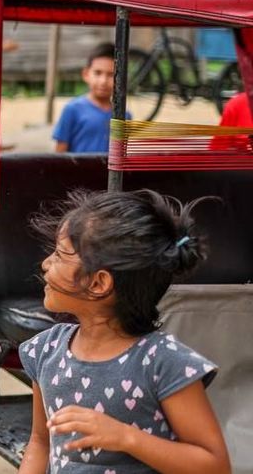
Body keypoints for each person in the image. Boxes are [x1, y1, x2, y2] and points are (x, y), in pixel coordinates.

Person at [18, 190, 230, 474]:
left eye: (58, 255)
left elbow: (214, 465)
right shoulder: (46, 350)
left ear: (98, 284)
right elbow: (40, 442)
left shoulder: (162, 363)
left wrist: (126, 438)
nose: (46, 264)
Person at [54, 43, 123, 153]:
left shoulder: (124, 114)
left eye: (111, 75)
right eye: (98, 73)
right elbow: (60, 153)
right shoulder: (72, 109)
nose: (103, 81)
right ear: (86, 74)